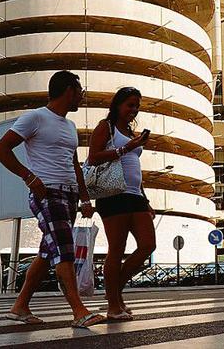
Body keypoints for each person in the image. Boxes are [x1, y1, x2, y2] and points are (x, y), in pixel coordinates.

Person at [0, 70, 105, 329]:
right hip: (47, 193)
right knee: (64, 249)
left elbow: (74, 164)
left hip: (69, 195)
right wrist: (29, 177)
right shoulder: (35, 117)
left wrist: (85, 198)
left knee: (47, 253)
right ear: (68, 91)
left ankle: (20, 306)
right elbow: (1, 149)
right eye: (79, 91)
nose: (82, 96)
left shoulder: (70, 126)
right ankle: (79, 311)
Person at [86, 86, 156, 320]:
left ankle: (114, 292)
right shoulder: (106, 127)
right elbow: (93, 158)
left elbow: (135, 168)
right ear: (118, 105)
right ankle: (113, 305)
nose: (134, 110)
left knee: (148, 245)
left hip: (135, 196)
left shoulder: (129, 132)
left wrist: (145, 199)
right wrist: (128, 147)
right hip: (113, 195)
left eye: (137, 106)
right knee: (116, 249)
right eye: (130, 105)